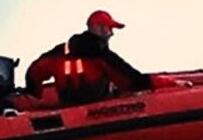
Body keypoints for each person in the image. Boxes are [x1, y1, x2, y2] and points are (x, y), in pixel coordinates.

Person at [20, 9, 187, 107]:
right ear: (98, 29)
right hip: (96, 110)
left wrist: (35, 95)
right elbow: (133, 81)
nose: (111, 34)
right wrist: (170, 83)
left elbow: (34, 72)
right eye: (109, 29)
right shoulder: (101, 56)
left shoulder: (59, 52)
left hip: (68, 107)